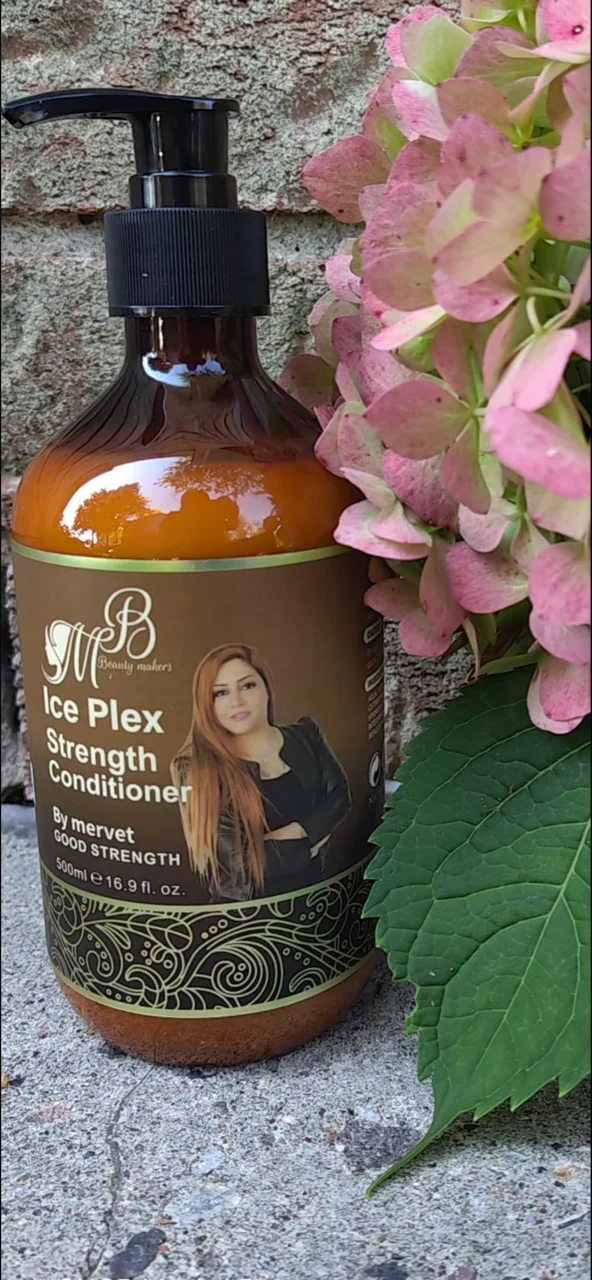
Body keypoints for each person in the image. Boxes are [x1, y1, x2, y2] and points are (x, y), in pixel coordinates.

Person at [171, 643, 352, 900]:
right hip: (245, 912)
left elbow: (340, 797)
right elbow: (242, 864)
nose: (236, 701)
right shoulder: (195, 768)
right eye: (221, 693)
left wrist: (299, 830)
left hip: (315, 896)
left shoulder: (305, 735)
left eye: (247, 686)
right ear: (207, 705)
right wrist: (311, 843)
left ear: (267, 688)